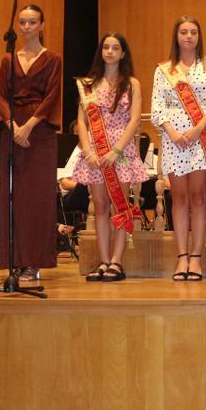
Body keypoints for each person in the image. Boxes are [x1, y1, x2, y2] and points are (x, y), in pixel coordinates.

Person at [152, 16, 206, 281]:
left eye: (193, 31)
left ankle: (196, 258)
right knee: (179, 198)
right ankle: (181, 256)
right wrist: (172, 132)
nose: (188, 36)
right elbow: (158, 108)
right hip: (173, 140)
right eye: (183, 31)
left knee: (198, 198)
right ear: (176, 36)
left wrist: (195, 130)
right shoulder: (163, 70)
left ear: (199, 36)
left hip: (202, 137)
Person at [0, 4, 63, 282]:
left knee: (37, 198)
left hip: (40, 131)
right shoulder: (8, 59)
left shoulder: (53, 59)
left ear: (41, 26)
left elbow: (52, 96)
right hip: (12, 130)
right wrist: (12, 126)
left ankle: (33, 261)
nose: (26, 27)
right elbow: (0, 95)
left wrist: (29, 126)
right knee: (14, 197)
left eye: (32, 22)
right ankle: (15, 259)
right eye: (22, 22)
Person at [75, 32, 148, 282]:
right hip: (95, 152)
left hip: (121, 150)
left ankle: (117, 261)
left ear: (123, 53)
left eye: (115, 48)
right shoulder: (88, 84)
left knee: (120, 205)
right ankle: (103, 261)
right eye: (106, 47)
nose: (109, 51)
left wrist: (116, 150)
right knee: (100, 207)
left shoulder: (132, 84)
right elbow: (82, 122)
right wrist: (88, 151)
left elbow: (135, 119)